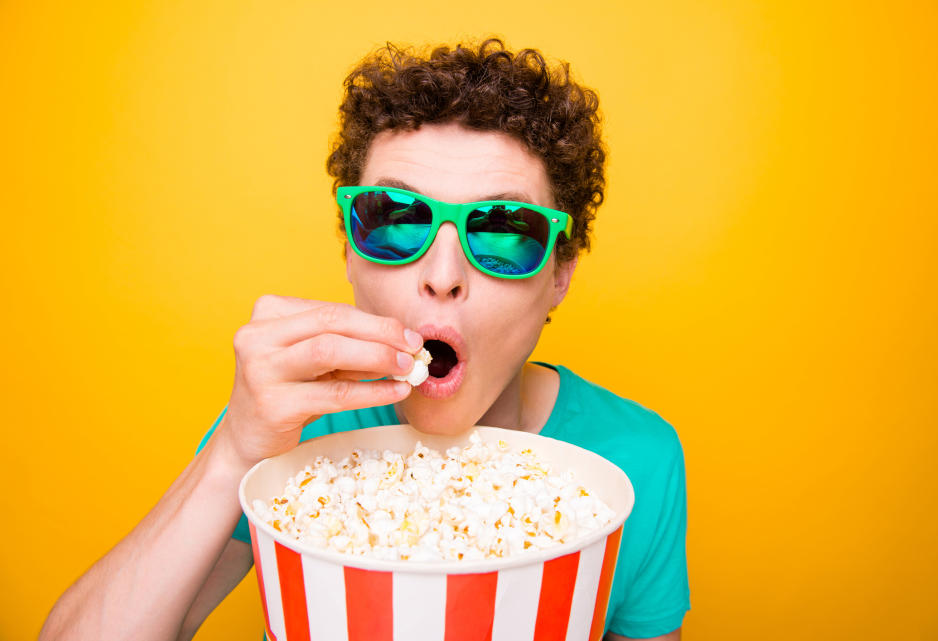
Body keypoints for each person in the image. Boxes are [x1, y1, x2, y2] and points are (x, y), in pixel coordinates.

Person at [39, 39, 689, 641]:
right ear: (350, 251)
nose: (442, 276)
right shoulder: (291, 432)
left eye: (504, 230)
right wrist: (234, 452)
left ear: (559, 275)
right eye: (398, 221)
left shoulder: (636, 462)